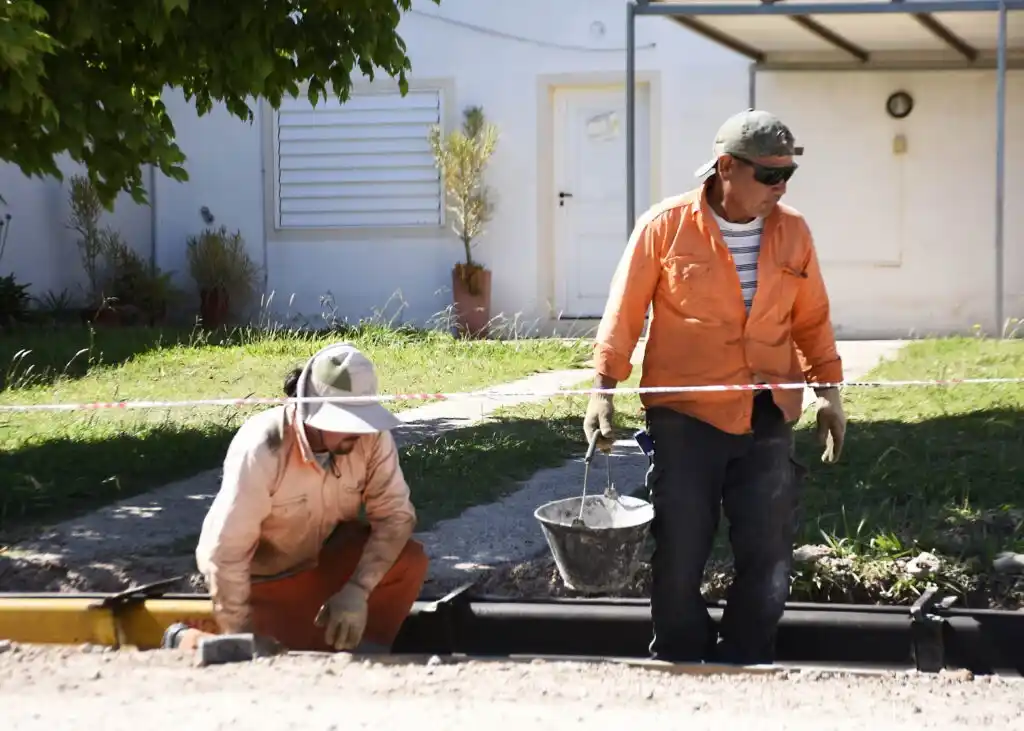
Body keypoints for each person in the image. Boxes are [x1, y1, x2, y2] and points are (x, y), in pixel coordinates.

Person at [583, 109, 847, 666]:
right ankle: (680, 659)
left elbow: (812, 319)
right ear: (727, 166)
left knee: (769, 550)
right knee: (680, 550)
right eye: (768, 175)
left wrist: (829, 393)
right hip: (685, 415)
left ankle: (748, 659)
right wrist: (601, 391)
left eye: (787, 176)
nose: (779, 187)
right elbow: (623, 312)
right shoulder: (665, 226)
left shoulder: (794, 231)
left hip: (768, 410)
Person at [188, 342, 428, 654]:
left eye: (362, 419)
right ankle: (187, 639)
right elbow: (224, 552)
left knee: (408, 561)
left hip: (324, 563)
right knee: (268, 651)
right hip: (266, 582)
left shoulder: (372, 439)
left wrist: (358, 589)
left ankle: (365, 651)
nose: (358, 433)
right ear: (311, 413)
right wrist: (240, 630)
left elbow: (396, 517)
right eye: (346, 422)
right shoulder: (264, 447)